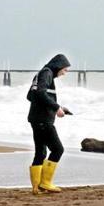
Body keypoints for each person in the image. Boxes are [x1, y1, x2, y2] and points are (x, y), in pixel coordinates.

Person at [27, 54, 71, 195]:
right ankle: (45, 183)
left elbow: (30, 96)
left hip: (36, 118)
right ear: (58, 66)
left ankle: (36, 187)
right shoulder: (47, 73)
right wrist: (55, 107)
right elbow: (40, 93)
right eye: (64, 70)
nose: (65, 73)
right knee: (58, 150)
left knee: (40, 153)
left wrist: (57, 107)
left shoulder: (42, 73)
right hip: (43, 120)